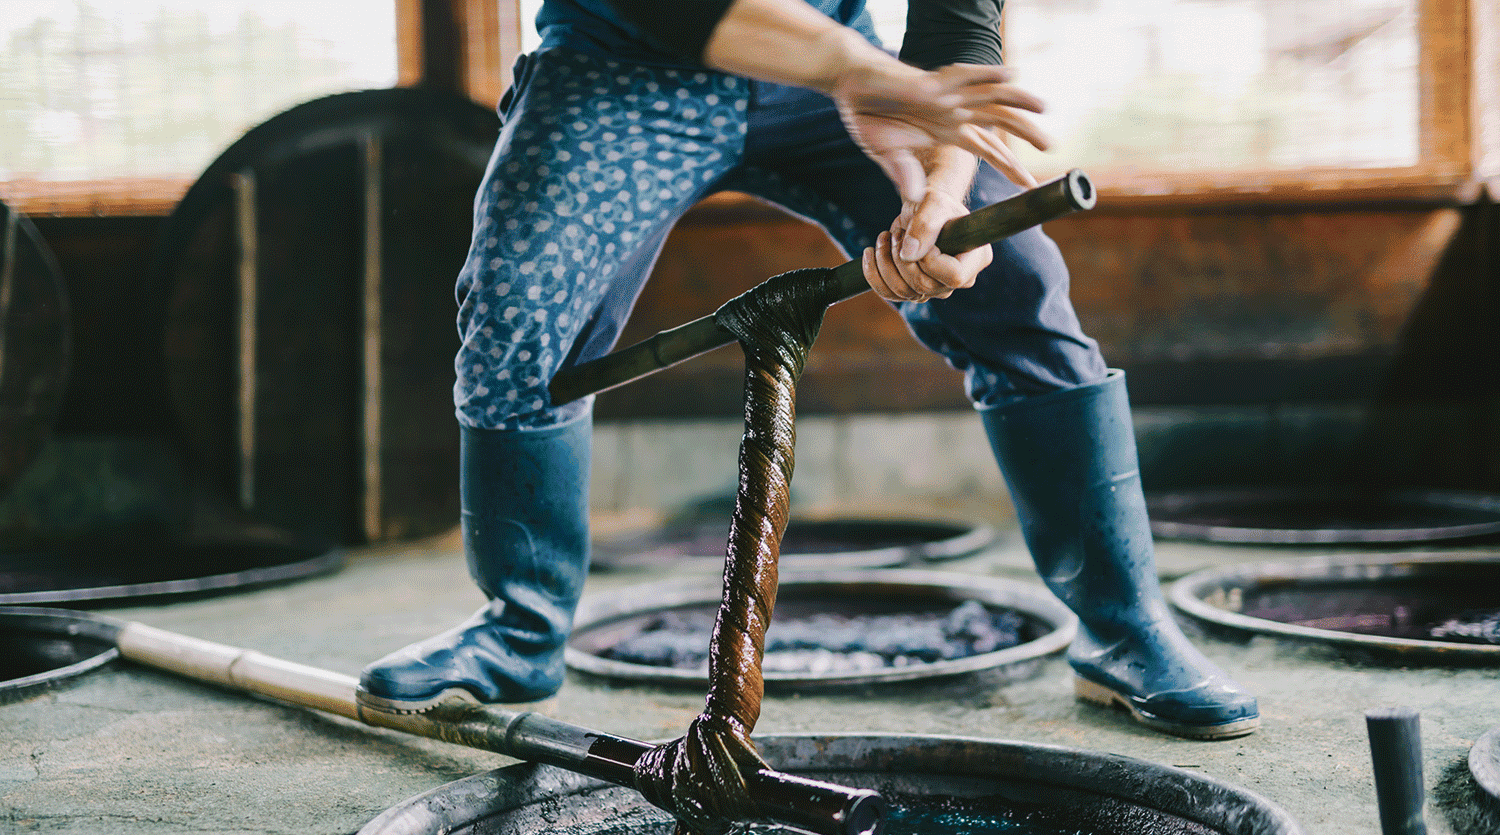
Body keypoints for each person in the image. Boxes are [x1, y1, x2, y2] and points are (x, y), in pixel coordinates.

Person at [357, 0, 1259, 739]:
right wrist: (857, 71)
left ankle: (1124, 629)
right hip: (622, 60)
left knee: (1018, 281)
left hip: (833, 70)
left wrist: (938, 194)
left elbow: (955, 38)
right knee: (520, 305)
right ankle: (519, 630)